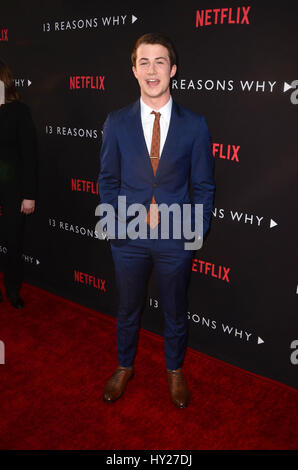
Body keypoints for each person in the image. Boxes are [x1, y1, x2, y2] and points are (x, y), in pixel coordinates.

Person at [98, 33, 215, 408]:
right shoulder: (116, 122)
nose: (152, 70)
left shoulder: (195, 125)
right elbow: (107, 180)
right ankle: (124, 366)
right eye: (144, 62)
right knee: (128, 307)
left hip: (176, 237)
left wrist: (194, 231)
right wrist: (117, 227)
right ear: (134, 70)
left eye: (160, 61)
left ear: (173, 70)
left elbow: (204, 184)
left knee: (175, 309)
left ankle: (174, 370)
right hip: (128, 237)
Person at [0, 58, 38, 308]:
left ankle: (13, 290)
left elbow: (30, 155)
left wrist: (29, 194)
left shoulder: (18, 112)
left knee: (13, 243)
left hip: (13, 190)